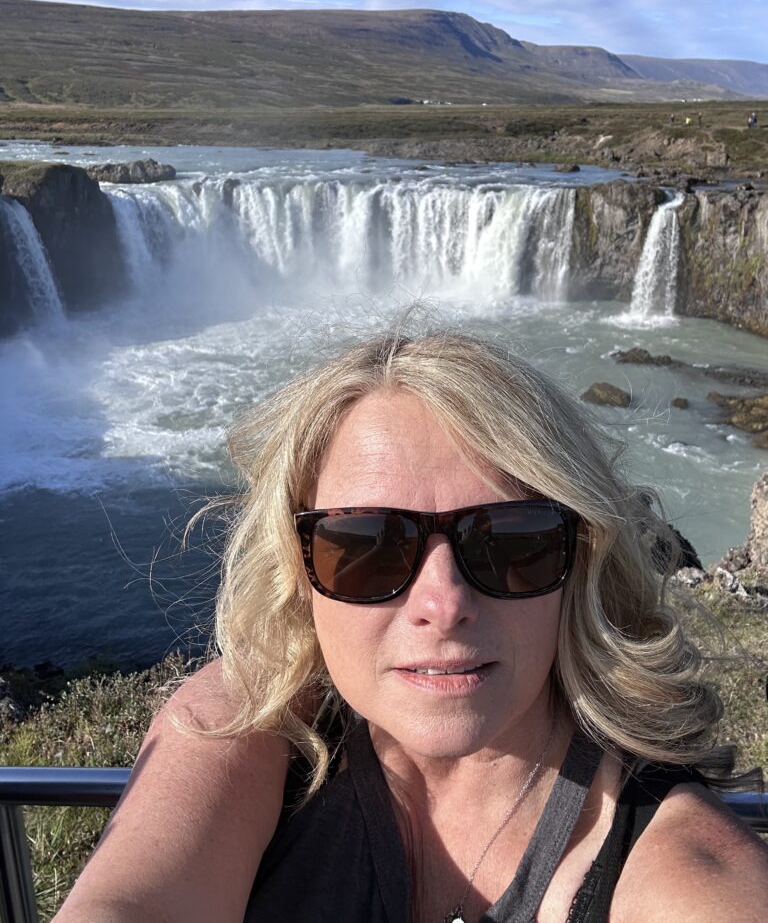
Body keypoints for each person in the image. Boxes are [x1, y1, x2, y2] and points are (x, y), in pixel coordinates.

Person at [54, 330, 768, 923]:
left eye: (512, 541)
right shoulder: (242, 730)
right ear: (298, 575)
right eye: (365, 546)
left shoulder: (685, 867)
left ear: (580, 561)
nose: (444, 601)